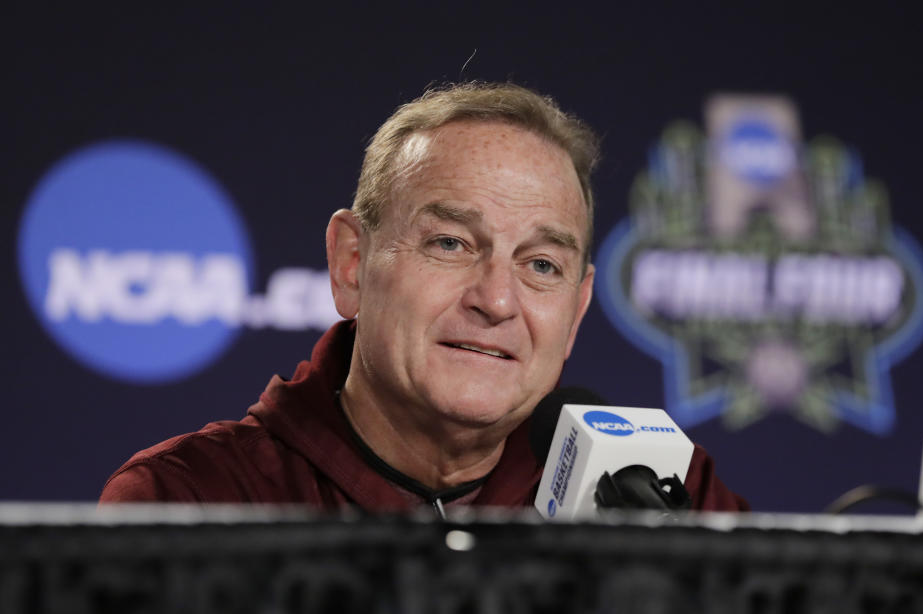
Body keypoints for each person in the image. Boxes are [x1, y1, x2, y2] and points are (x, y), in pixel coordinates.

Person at [100, 82, 748, 513]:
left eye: (541, 264)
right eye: (450, 244)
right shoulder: (192, 502)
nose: (496, 301)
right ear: (351, 264)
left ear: (576, 311)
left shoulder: (659, 493)